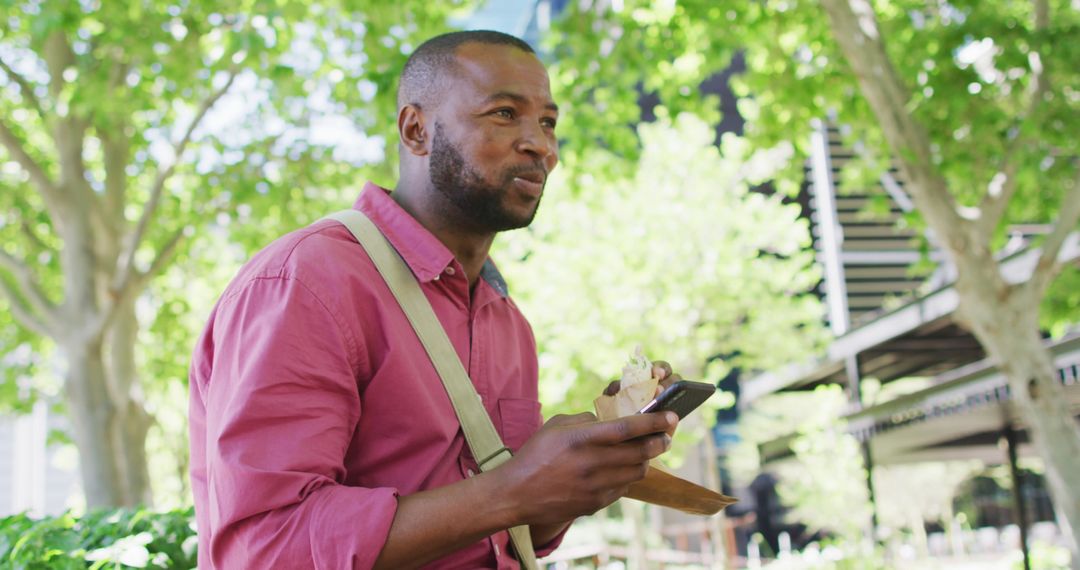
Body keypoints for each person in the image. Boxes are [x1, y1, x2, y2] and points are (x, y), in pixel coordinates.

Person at [188, 30, 679, 569]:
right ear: (416, 130)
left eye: (548, 122)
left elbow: (507, 535)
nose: (541, 145)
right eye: (504, 113)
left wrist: (579, 478)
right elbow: (264, 548)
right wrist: (513, 489)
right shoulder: (305, 284)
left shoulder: (507, 321)